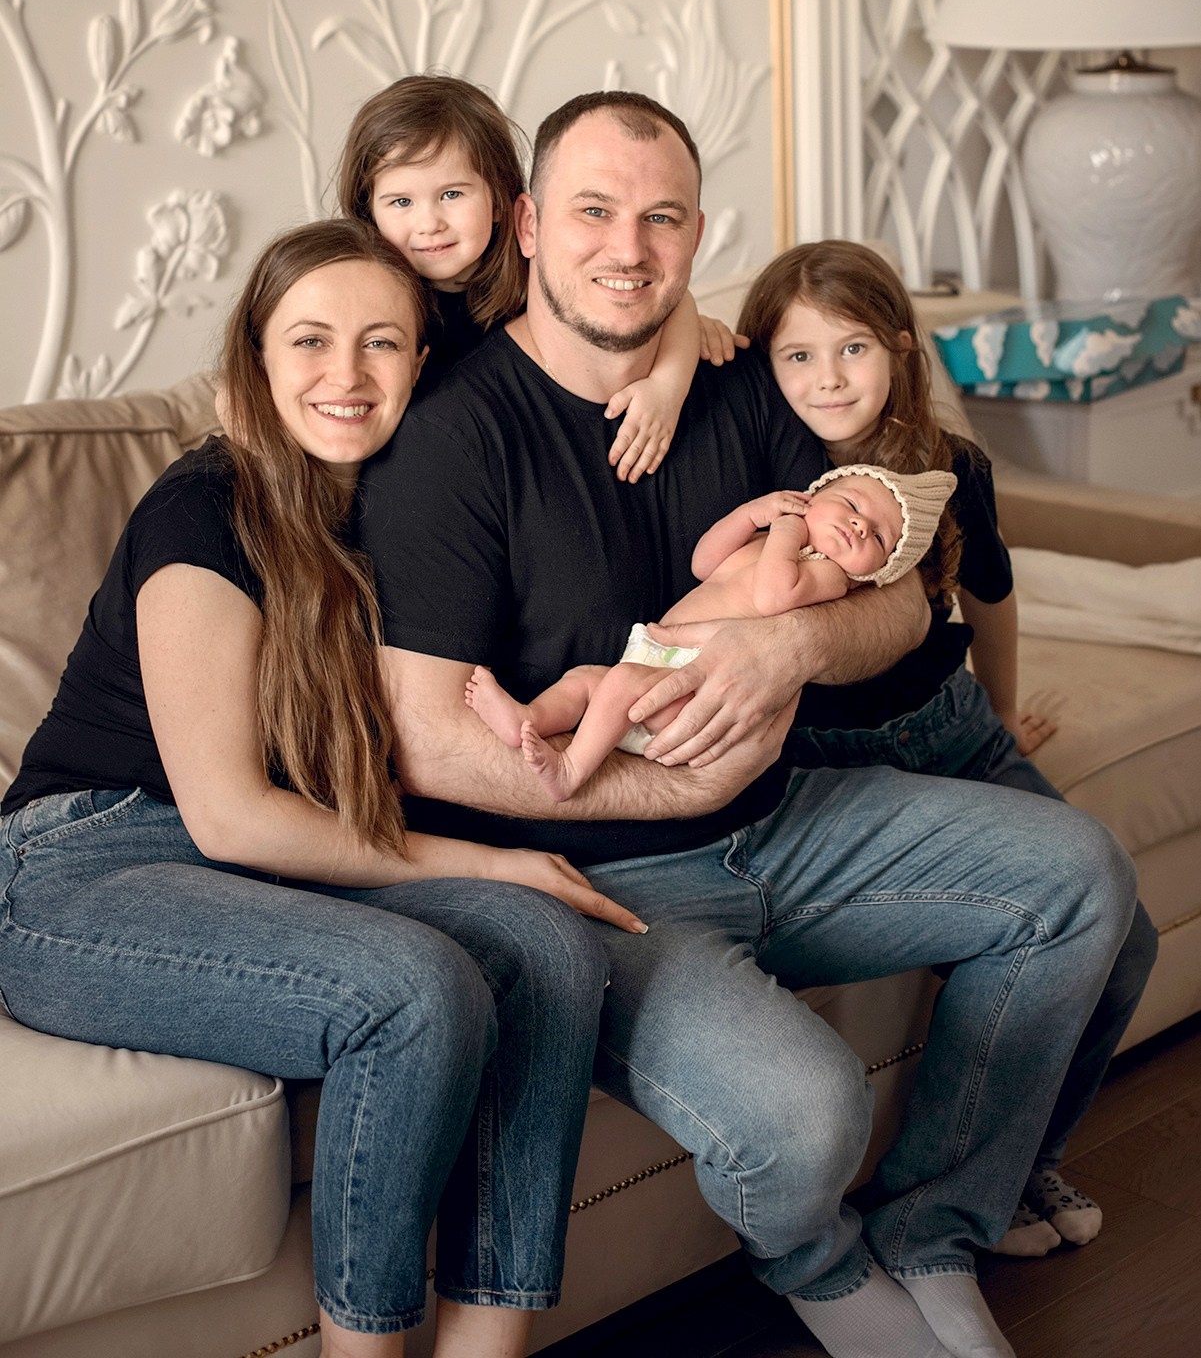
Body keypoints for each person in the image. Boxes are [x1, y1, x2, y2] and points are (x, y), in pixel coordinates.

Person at [357, 89, 1138, 1358]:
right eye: (596, 212)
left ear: (698, 230)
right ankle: (818, 1265)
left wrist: (789, 644)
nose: (628, 248)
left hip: (788, 820)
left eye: (661, 218)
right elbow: (423, 740)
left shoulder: (735, 381)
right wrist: (665, 793)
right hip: (590, 886)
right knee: (804, 1112)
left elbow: (899, 592)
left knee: (1079, 881)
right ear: (529, 222)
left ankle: (933, 1229)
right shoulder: (454, 437)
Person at [0, 219, 647, 1358]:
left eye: (382, 344)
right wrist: (490, 859)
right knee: (411, 992)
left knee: (549, 949)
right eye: (309, 341)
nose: (344, 377)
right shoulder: (203, 508)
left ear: (421, 363)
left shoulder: (405, 510)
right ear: (255, 358)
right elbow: (230, 813)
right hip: (79, 865)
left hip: (255, 865)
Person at [737, 239, 1159, 1259]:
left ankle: (1016, 1168)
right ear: (761, 363)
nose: (826, 380)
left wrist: (1003, 714)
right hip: (826, 763)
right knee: (1026, 914)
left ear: (896, 350)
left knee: (1127, 937)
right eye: (796, 357)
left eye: (850, 350)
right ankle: (955, 1195)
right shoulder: (760, 471)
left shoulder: (944, 464)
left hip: (953, 732)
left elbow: (991, 596)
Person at [334, 71, 739, 478]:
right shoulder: (370, 301)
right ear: (370, 212)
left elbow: (672, 298)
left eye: (452, 195)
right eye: (401, 201)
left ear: (500, 200)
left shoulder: (536, 267)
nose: (429, 223)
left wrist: (668, 387)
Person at [467, 465, 955, 801]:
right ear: (814, 494)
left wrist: (788, 532)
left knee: (614, 685)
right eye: (851, 503)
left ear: (876, 573)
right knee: (586, 680)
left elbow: (773, 597)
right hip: (661, 661)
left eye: (879, 537)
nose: (858, 525)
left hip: (699, 688)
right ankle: (528, 718)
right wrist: (752, 516)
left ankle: (571, 771)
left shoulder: (828, 574)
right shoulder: (773, 539)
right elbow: (704, 562)